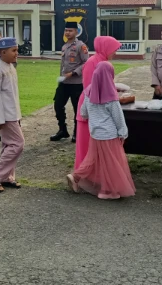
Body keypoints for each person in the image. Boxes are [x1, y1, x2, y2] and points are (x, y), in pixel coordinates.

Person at [66, 62, 135, 200]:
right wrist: (123, 132)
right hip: (109, 134)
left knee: (93, 159)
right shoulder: (110, 93)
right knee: (111, 163)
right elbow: (118, 117)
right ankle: (107, 191)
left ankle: (76, 176)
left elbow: (83, 112)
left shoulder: (89, 91)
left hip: (95, 133)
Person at [74, 36, 122, 170]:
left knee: (95, 146)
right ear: (106, 48)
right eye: (114, 49)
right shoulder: (92, 62)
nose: (115, 53)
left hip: (98, 107)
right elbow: (90, 88)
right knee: (86, 146)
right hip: (91, 108)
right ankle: (83, 175)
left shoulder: (103, 61)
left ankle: (96, 174)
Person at [0, 37, 25, 193]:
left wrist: (18, 115)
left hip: (13, 114)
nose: (16, 54)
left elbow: (12, 95)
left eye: (16, 50)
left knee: (8, 145)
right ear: (2, 52)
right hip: (5, 116)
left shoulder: (11, 67)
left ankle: (7, 177)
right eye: (13, 50)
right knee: (18, 144)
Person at [50, 22, 89, 142]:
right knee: (58, 105)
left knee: (77, 108)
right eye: (66, 30)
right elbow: (63, 65)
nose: (67, 33)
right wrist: (61, 76)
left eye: (70, 30)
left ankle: (77, 133)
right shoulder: (64, 46)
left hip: (76, 83)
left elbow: (86, 63)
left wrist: (73, 73)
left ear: (76, 32)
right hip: (64, 83)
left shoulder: (81, 46)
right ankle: (63, 130)